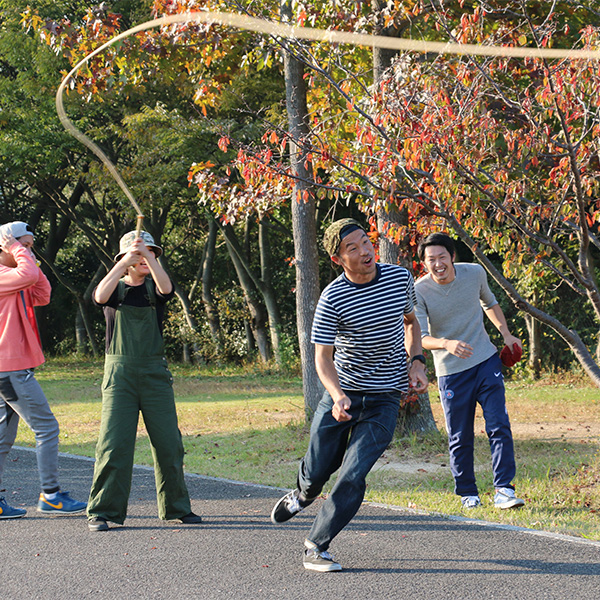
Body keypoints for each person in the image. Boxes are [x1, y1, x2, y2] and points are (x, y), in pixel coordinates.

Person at [270, 218, 428, 572]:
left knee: (354, 473)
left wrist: (416, 362)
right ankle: (303, 494)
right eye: (352, 248)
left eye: (366, 242)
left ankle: (317, 544)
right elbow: (321, 359)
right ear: (338, 259)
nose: (365, 251)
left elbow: (411, 322)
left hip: (386, 395)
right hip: (343, 392)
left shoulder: (399, 279)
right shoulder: (333, 297)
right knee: (317, 471)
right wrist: (337, 395)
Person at [86, 230, 202, 531]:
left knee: (169, 444)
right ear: (124, 260)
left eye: (151, 253)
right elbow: (98, 296)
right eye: (138, 255)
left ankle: (177, 507)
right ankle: (102, 510)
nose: (144, 259)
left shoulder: (155, 289)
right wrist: (123, 261)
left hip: (154, 375)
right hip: (119, 377)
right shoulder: (114, 289)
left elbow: (167, 287)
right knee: (113, 445)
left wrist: (148, 256)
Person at [414, 232, 525, 510]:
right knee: (460, 436)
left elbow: (490, 303)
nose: (437, 264)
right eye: (431, 260)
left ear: (452, 256)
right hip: (451, 372)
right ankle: (468, 492)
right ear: (424, 263)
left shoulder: (474, 273)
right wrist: (446, 344)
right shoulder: (419, 290)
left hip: (486, 361)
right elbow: (420, 336)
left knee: (499, 425)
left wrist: (507, 335)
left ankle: (504, 489)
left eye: (442, 257)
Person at [0, 221, 87, 519]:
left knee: (2, 436)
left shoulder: (16, 277)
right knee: (47, 428)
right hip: (11, 370)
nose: (29, 252)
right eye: (25, 246)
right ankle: (51, 495)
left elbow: (43, 294)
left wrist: (27, 257)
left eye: (31, 247)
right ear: (7, 245)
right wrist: (14, 247)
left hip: (10, 369)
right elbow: (27, 273)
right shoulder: (3, 275)